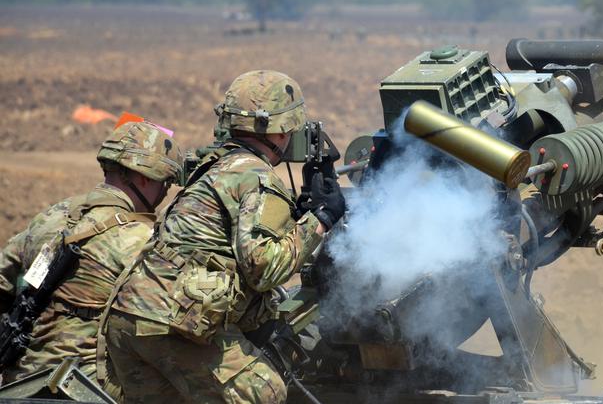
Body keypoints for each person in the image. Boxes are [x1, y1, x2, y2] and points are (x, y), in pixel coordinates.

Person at [105, 70, 346, 404]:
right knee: (266, 391)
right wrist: (320, 219)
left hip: (128, 318)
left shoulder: (214, 167)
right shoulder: (255, 175)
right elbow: (266, 271)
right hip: (176, 323)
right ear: (279, 131)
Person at [0, 120, 183, 386]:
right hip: (85, 387)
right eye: (165, 183)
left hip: (20, 384)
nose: (165, 193)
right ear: (144, 177)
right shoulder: (139, 239)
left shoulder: (53, 215)